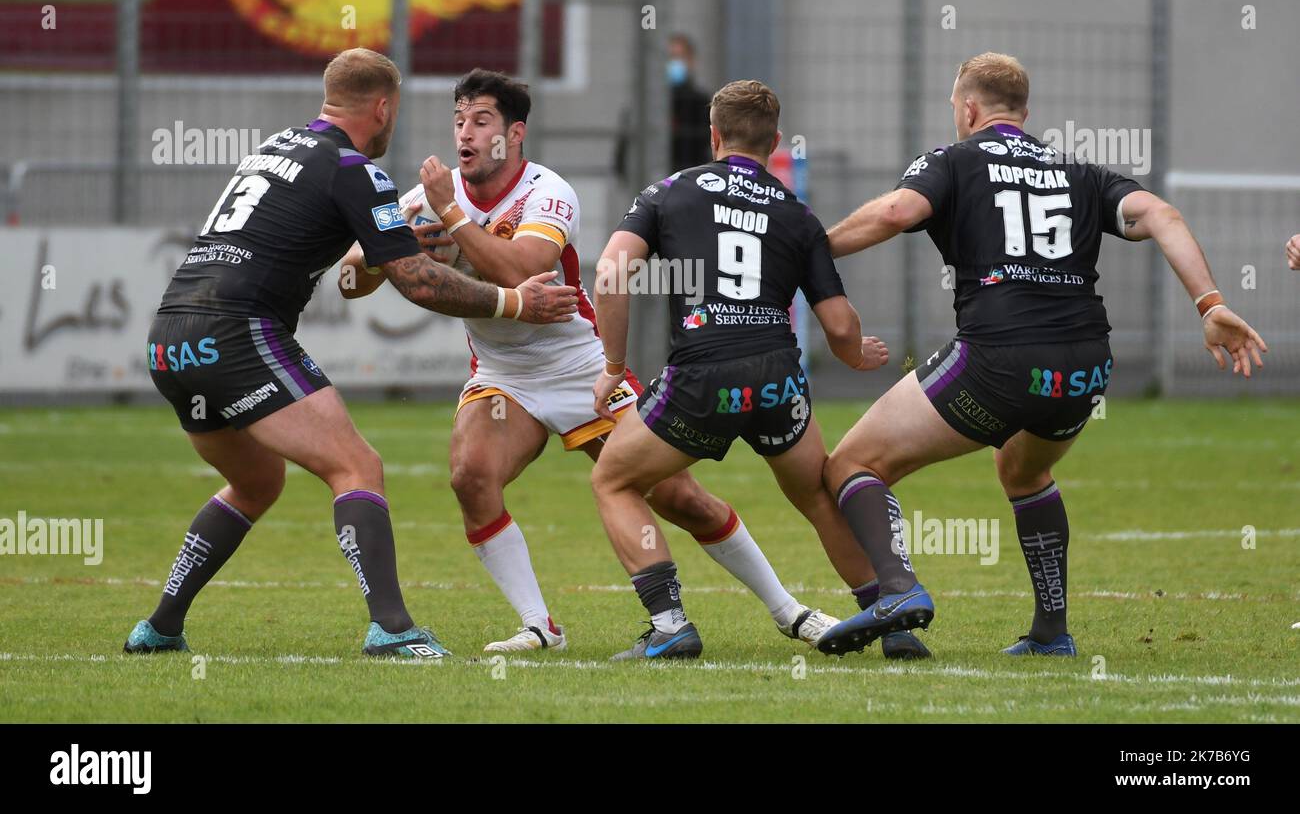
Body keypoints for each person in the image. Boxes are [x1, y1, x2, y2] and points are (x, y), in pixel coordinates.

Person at [340, 68, 850, 654]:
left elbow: (518, 267)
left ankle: (789, 610)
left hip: (582, 367)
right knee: (471, 476)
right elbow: (351, 280)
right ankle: (540, 626)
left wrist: (451, 221)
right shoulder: (426, 199)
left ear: (515, 134)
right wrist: (385, 254)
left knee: (678, 497)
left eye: (481, 121)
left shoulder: (546, 191)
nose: (466, 134)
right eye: (459, 121)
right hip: (503, 376)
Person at [126, 49, 577, 660]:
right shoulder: (354, 169)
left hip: (171, 336)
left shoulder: (272, 149)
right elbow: (420, 282)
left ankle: (159, 627)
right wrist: (512, 304)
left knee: (255, 481)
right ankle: (392, 629)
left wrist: (385, 249)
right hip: (238, 333)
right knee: (358, 468)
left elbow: (355, 272)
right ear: (383, 108)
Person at [814, 52, 1267, 658]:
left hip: (998, 358)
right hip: (1084, 363)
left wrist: (809, 255)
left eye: (956, 107)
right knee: (1024, 471)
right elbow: (1163, 215)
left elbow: (897, 212)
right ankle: (1051, 633)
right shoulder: (1080, 171)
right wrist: (1209, 305)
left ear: (969, 109)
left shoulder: (952, 161)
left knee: (850, 466)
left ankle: (897, 592)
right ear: (1024, 113)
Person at [588, 79, 922, 661]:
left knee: (614, 480)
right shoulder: (796, 213)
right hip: (777, 377)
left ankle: (670, 625)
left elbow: (611, 273)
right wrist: (854, 356)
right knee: (818, 496)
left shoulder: (669, 191)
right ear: (773, 142)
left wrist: (615, 365)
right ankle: (892, 621)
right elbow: (841, 326)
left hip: (704, 373)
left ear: (713, 134)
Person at [668, 33, 713, 172]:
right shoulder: (644, 105)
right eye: (670, 58)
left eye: (680, 57)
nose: (674, 63)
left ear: (691, 61)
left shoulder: (702, 104)